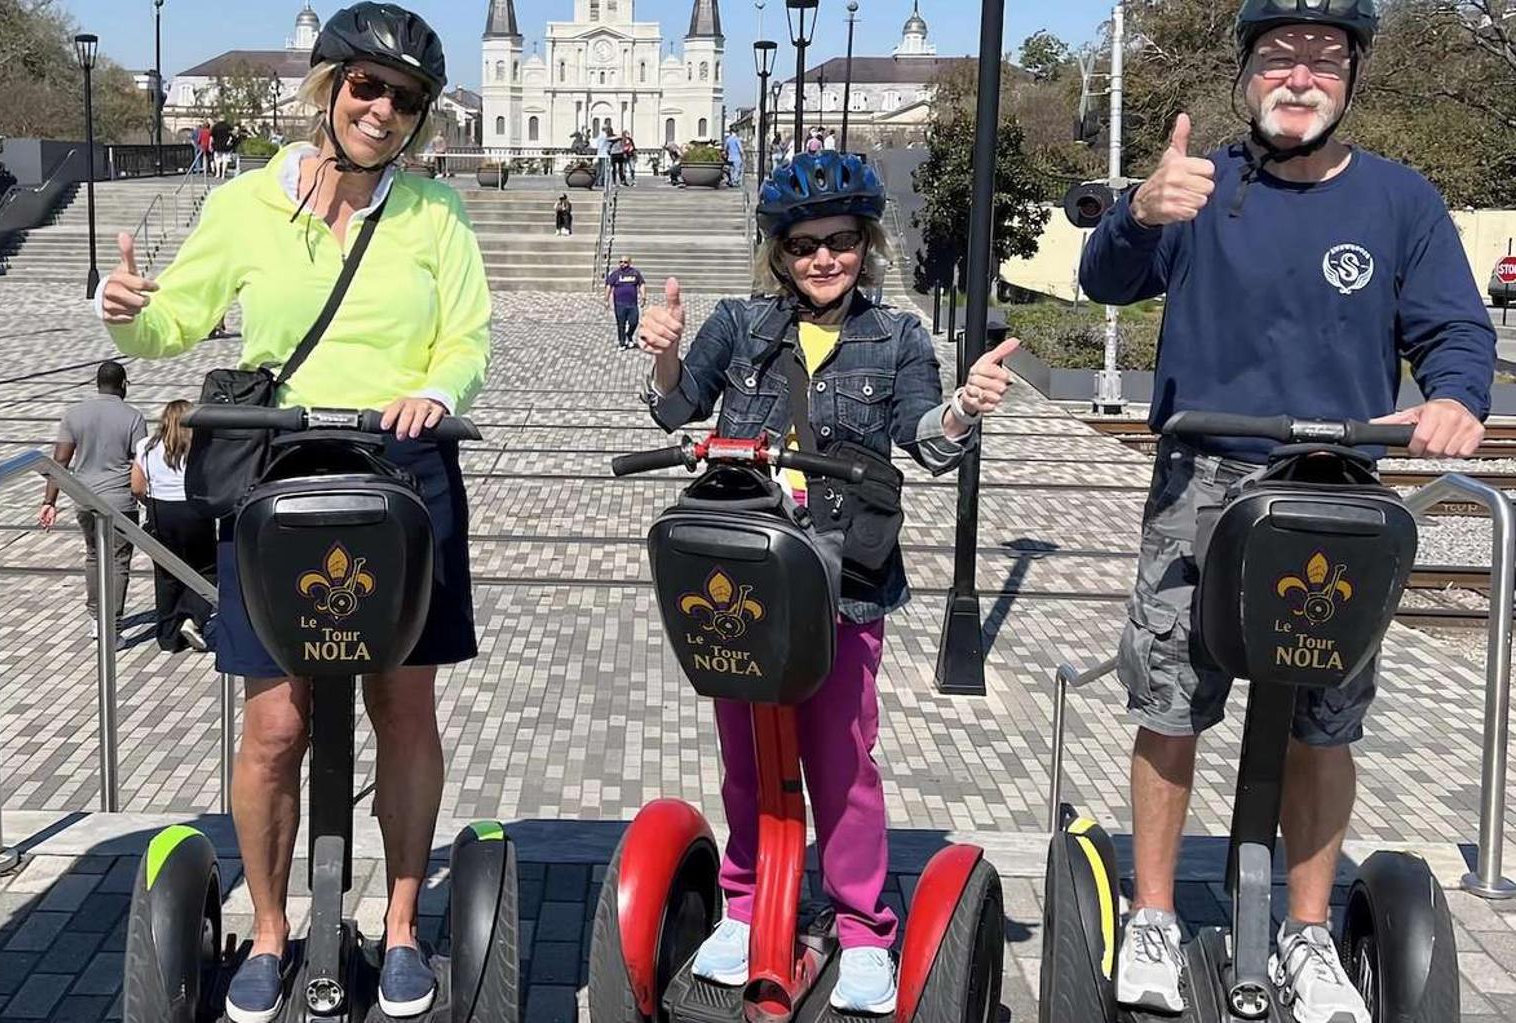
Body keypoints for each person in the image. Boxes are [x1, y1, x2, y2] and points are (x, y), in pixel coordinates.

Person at [1077, 2, 1492, 1021]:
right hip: (1202, 482)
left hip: (1335, 491)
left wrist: (1452, 398)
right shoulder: (1200, 189)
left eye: (1320, 59)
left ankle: (1307, 932)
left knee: (1323, 720)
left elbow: (1452, 329)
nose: (1297, 77)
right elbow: (1104, 281)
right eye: (1277, 57)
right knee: (1168, 704)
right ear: (1244, 74)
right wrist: (1138, 212)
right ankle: (1155, 913)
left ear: (1349, 78)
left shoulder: (1399, 202)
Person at [97, 5, 489, 1018]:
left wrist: (436, 395)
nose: (382, 110)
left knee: (402, 706)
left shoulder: (432, 216)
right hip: (279, 481)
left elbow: (466, 339)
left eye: (405, 99)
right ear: (328, 88)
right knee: (273, 723)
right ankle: (270, 930)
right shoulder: (244, 204)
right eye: (366, 87)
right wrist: (132, 311)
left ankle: (399, 925)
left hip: (403, 475)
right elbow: (178, 317)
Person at [634, 151, 1017, 1014]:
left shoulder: (899, 335)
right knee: (745, 754)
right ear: (777, 252)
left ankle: (861, 926)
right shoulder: (739, 323)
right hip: (745, 574)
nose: (823, 259)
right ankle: (745, 903)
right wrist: (661, 355)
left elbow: (926, 437)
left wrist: (964, 405)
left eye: (840, 241)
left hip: (848, 579)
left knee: (841, 760)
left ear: (865, 244)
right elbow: (675, 408)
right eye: (803, 244)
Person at [38, 360, 147, 641]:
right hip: (120, 499)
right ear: (123, 385)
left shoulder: (74, 414)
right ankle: (112, 625)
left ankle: (96, 617)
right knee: (118, 561)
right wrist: (147, 500)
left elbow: (60, 461)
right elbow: (141, 464)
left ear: (97, 384)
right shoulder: (133, 417)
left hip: (84, 497)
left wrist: (49, 501)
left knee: (93, 555)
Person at [131, 399, 214, 653]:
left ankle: (168, 637)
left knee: (166, 574)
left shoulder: (146, 446)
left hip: (160, 513)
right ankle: (192, 617)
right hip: (195, 510)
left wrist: (148, 499)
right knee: (207, 567)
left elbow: (136, 487)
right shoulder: (203, 448)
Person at [604, 255, 646, 351]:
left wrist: (643, 297)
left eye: (625, 262)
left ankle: (629, 335)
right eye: (621, 262)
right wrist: (606, 300)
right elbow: (609, 286)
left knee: (634, 322)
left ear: (630, 263)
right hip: (620, 304)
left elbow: (642, 284)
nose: (623, 264)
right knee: (621, 324)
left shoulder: (635, 273)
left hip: (632, 304)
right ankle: (622, 343)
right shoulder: (615, 274)